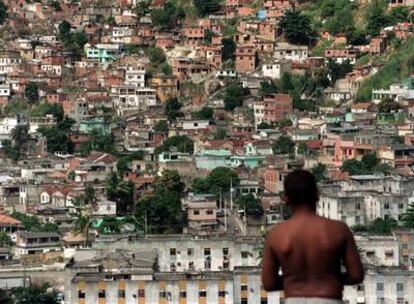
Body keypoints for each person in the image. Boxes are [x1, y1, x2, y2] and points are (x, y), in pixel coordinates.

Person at [261, 170, 364, 304]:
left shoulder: (276, 235)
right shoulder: (338, 230)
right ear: (317, 194)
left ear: (286, 198)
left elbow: (268, 283)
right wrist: (330, 278)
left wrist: (292, 280)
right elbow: (356, 275)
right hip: (330, 298)